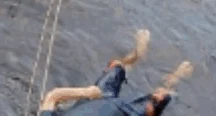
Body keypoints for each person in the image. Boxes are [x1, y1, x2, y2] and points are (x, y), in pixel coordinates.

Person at [38, 30, 192, 116]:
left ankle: (136, 55)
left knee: (116, 65)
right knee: (160, 98)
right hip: (126, 112)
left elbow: (53, 96)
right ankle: (175, 78)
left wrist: (85, 92)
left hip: (94, 97)